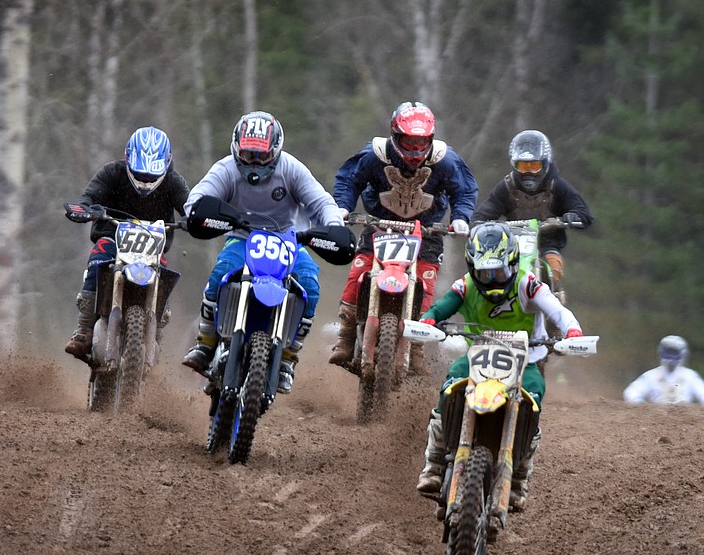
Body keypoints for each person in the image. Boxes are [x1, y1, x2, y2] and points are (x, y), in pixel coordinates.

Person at [414, 222, 585, 512]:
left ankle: (518, 477)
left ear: (513, 263)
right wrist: (428, 320)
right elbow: (440, 307)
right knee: (451, 383)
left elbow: (558, 311)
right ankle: (433, 463)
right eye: (484, 273)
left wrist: (573, 332)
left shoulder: (528, 284)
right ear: (472, 267)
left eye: (499, 272)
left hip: (526, 361)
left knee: (533, 397)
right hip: (477, 357)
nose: (492, 280)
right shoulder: (465, 285)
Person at [181, 110, 347, 394]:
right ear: (236, 149)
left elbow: (322, 202)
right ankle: (205, 343)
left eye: (261, 156)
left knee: (309, 285)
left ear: (276, 150)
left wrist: (334, 225)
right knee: (220, 273)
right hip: (242, 237)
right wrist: (200, 211)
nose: (254, 164)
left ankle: (288, 358)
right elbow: (197, 198)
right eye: (248, 156)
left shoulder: (292, 169)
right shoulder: (226, 169)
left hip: (288, 241)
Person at [329, 101, 478, 375]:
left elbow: (465, 190)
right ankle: (346, 334)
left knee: (425, 283)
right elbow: (349, 180)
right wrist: (342, 206)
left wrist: (461, 217)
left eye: (421, 142)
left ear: (430, 139)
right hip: (380, 226)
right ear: (395, 137)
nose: (415, 151)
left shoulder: (445, 159)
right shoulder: (375, 155)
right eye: (408, 142)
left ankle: (417, 345)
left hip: (428, 230)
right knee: (359, 271)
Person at [64, 126, 189, 359]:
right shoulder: (113, 172)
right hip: (113, 238)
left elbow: (190, 207)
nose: (144, 181)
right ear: (128, 160)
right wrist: (85, 209)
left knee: (164, 271)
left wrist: (198, 219)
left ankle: (157, 330)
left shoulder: (173, 181)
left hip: (153, 245)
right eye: (140, 174)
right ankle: (84, 329)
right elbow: (89, 198)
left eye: (150, 177)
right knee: (99, 256)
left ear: (165, 165)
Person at [470, 129, 593, 302]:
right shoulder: (506, 187)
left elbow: (584, 213)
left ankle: (555, 314)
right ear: (514, 165)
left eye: (534, 166)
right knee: (489, 274)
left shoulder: (557, 185)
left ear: (545, 163)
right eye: (523, 166)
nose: (528, 173)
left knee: (554, 269)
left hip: (547, 244)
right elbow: (483, 213)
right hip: (511, 247)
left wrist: (571, 217)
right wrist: (478, 224)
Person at [623, 335, 704, 405]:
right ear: (661, 353)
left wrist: (700, 411)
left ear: (682, 354)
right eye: (668, 353)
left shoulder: (690, 376)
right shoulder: (651, 376)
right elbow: (630, 392)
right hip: (655, 419)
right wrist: (641, 403)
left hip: (686, 420)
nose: (671, 358)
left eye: (674, 353)